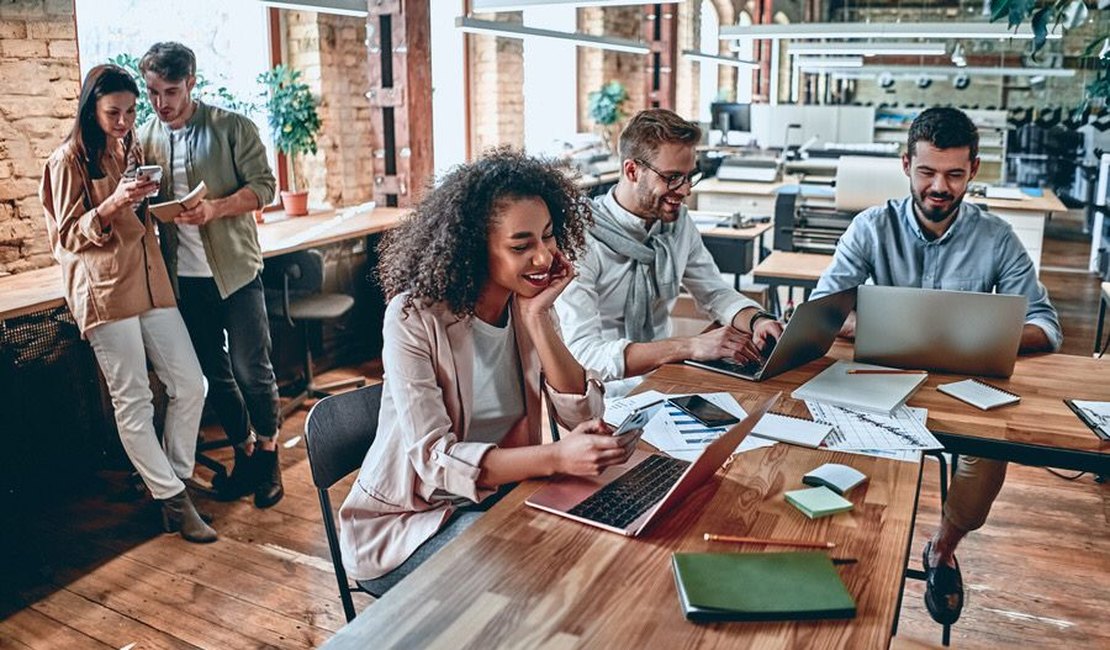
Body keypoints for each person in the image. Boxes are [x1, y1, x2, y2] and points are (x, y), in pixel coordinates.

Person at [337, 150, 639, 594]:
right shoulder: (414, 318)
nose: (543, 258)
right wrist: (556, 458)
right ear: (475, 247)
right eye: (521, 246)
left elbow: (581, 413)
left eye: (549, 237)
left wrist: (538, 319)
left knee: (596, 550)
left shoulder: (526, 303)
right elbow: (434, 461)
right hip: (409, 524)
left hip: (495, 499)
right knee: (535, 575)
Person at [809, 106, 1062, 625]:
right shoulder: (871, 227)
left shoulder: (998, 238)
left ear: (973, 170)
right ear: (906, 165)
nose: (938, 186)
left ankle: (943, 549)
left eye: (953, 173)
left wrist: (985, 334)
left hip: (967, 386)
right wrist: (858, 322)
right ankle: (859, 553)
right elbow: (824, 308)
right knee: (842, 441)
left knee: (989, 453)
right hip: (882, 380)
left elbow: (1047, 327)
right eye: (926, 172)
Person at [40, 64, 214, 543]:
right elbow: (67, 238)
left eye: (131, 111)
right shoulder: (67, 161)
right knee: (133, 400)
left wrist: (150, 204)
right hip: (104, 289)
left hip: (149, 278)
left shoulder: (129, 147)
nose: (124, 120)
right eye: (113, 112)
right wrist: (115, 203)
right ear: (90, 109)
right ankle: (174, 502)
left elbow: (134, 220)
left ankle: (172, 483)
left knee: (189, 383)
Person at [136, 42, 284, 508]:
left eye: (172, 91)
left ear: (192, 83)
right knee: (212, 373)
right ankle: (244, 454)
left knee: (250, 369)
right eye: (154, 92)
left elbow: (266, 187)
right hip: (185, 281)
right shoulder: (145, 137)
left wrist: (215, 208)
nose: (162, 103)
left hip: (237, 272)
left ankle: (270, 456)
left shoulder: (231, 127)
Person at [555, 109, 784, 394]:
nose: (685, 190)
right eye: (673, 177)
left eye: (690, 177)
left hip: (667, 376)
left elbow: (714, 292)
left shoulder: (677, 223)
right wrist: (689, 346)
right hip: (605, 393)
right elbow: (583, 355)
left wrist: (757, 320)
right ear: (631, 171)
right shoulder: (580, 239)